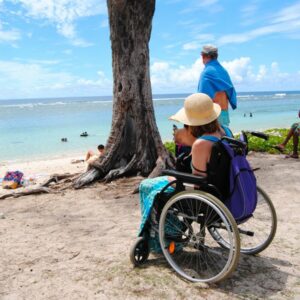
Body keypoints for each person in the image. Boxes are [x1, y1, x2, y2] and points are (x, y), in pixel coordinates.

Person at [138, 93, 232, 238]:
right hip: (226, 188)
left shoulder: (201, 145)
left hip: (203, 196)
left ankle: (168, 233)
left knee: (146, 185)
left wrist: (172, 178)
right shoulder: (226, 131)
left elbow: (197, 182)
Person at [197, 45, 237, 126]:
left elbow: (201, 99)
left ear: (203, 56)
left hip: (212, 117)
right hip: (224, 114)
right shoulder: (223, 71)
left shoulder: (206, 73)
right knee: (224, 137)